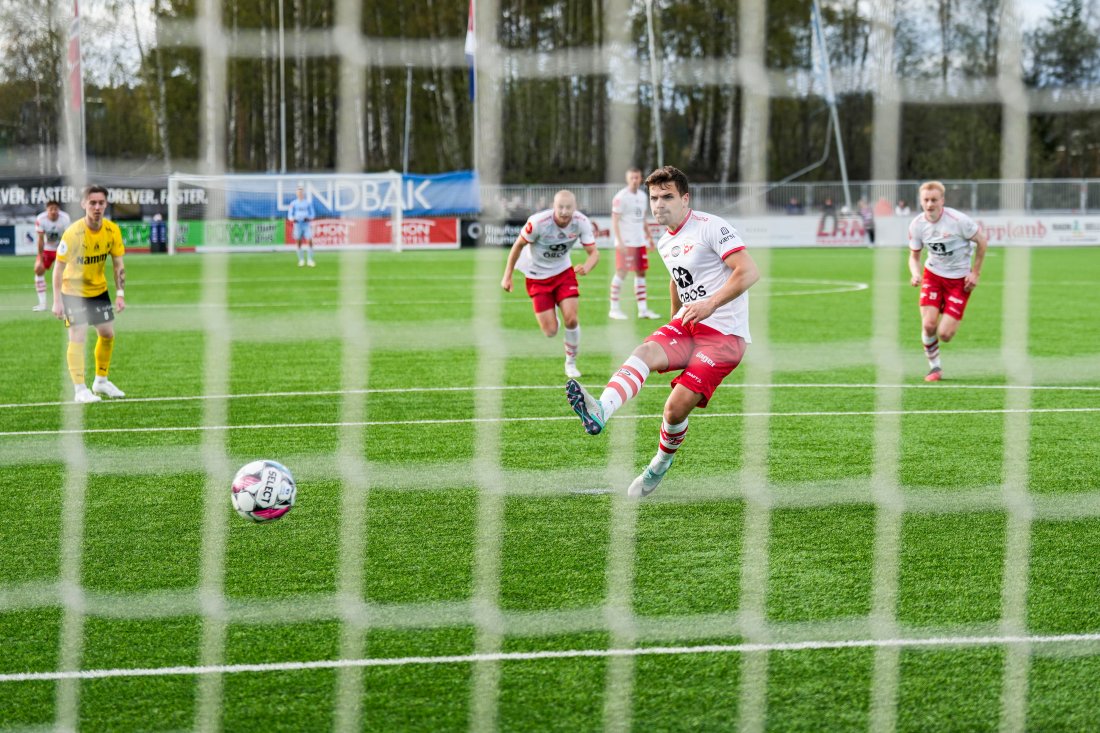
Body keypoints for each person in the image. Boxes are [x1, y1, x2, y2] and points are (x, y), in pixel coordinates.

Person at [566, 165, 759, 497]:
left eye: (667, 197)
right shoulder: (665, 241)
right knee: (645, 352)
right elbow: (676, 279)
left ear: (685, 199)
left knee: (674, 409)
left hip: (725, 337)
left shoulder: (711, 227)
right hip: (689, 325)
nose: (659, 205)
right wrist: (673, 322)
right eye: (654, 198)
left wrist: (710, 304)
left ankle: (658, 466)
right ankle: (601, 410)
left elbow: (749, 271)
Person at [501, 190, 599, 379]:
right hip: (536, 275)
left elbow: (594, 253)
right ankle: (553, 314)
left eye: (568, 207)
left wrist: (587, 266)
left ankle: (571, 363)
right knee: (550, 331)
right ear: (553, 207)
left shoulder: (581, 222)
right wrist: (508, 275)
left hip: (563, 272)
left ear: (574, 207)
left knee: (571, 319)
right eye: (560, 207)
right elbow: (518, 246)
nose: (564, 212)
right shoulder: (538, 222)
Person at [907, 180, 988, 382]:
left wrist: (975, 273)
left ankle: (946, 306)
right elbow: (914, 256)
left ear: (942, 200)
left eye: (934, 200)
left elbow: (982, 242)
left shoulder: (958, 220)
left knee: (945, 334)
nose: (930, 204)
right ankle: (934, 368)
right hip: (933, 276)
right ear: (921, 200)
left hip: (959, 280)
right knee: (928, 325)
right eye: (926, 200)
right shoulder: (917, 225)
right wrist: (915, 273)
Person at [51, 185, 126, 403]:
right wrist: (57, 301)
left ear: (106, 205)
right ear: (84, 204)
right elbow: (58, 267)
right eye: (92, 203)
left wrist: (120, 293)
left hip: (98, 290)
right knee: (78, 335)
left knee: (107, 334)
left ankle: (101, 381)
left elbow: (118, 264)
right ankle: (80, 389)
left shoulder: (112, 230)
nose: (97, 207)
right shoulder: (73, 233)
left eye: (101, 203)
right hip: (73, 292)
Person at [608, 167, 661, 320]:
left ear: (640, 178)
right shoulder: (620, 197)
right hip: (626, 242)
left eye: (637, 177)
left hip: (639, 242)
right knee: (621, 272)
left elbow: (643, 218)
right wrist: (620, 241)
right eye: (632, 178)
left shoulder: (643, 196)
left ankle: (643, 310)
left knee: (641, 272)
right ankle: (614, 308)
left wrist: (649, 238)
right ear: (627, 179)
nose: (635, 180)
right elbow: (615, 221)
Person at [32, 200, 71, 311]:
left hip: (61, 249)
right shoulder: (41, 219)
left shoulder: (65, 218)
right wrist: (40, 258)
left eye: (55, 209)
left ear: (59, 210)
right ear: (47, 210)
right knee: (38, 269)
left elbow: (68, 237)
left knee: (68, 274)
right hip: (47, 249)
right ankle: (42, 304)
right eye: (51, 209)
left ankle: (66, 303)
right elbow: (40, 240)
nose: (53, 212)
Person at [287, 184, 316, 267]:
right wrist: (293, 219)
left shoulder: (307, 203)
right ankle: (301, 260)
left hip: (306, 224)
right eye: (298, 192)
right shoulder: (293, 203)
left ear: (303, 193)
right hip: (297, 225)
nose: (300, 194)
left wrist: (309, 218)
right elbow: (290, 215)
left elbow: (312, 214)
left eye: (301, 192)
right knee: (298, 242)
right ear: (296, 193)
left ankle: (310, 260)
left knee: (309, 240)